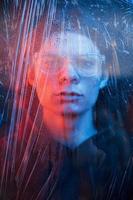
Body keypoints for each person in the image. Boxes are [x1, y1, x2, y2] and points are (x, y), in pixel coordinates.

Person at [0, 1, 132, 200]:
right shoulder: (5, 158)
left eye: (86, 62)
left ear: (104, 74)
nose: (68, 75)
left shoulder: (126, 157)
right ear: (31, 74)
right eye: (51, 63)